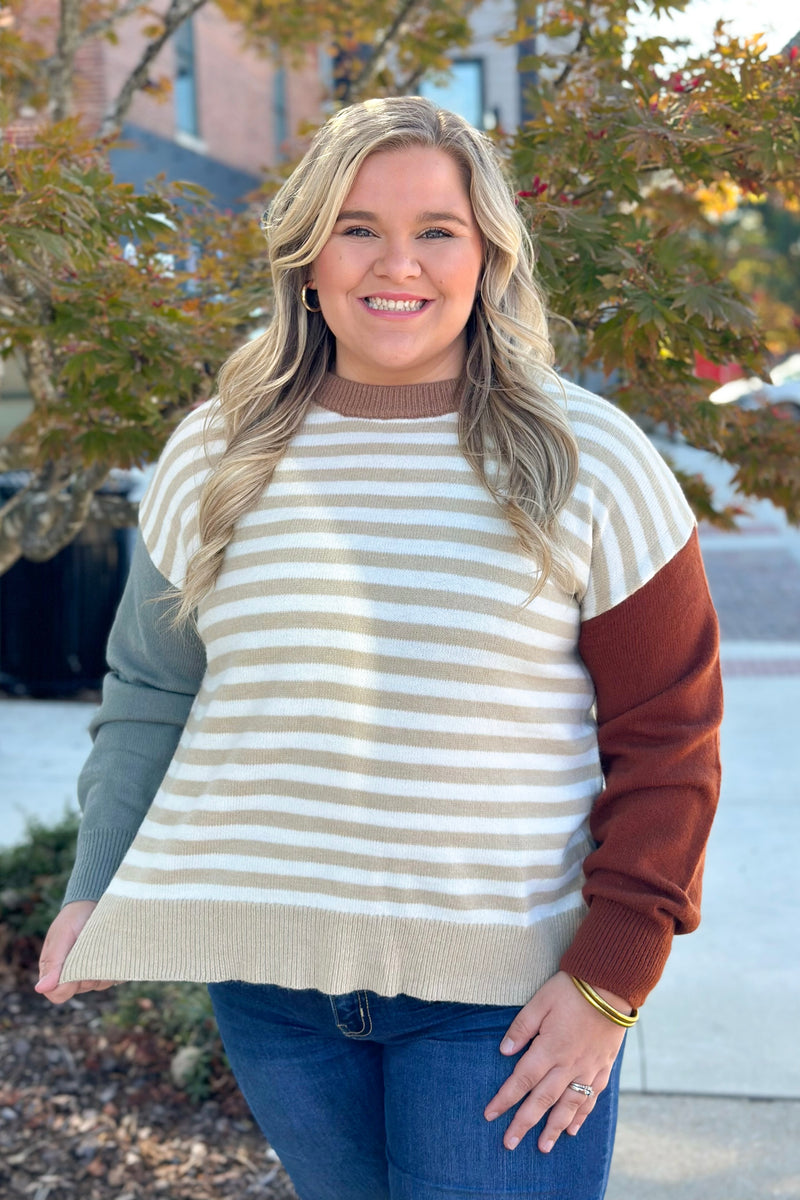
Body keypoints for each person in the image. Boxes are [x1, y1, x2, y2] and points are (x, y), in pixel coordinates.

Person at [36, 96, 722, 1200]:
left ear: (487, 255)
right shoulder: (217, 448)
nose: (394, 262)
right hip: (272, 997)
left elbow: (670, 740)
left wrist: (609, 980)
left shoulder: (588, 457)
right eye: (357, 226)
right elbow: (151, 692)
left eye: (435, 230)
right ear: (307, 255)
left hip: (503, 1009)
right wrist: (96, 885)